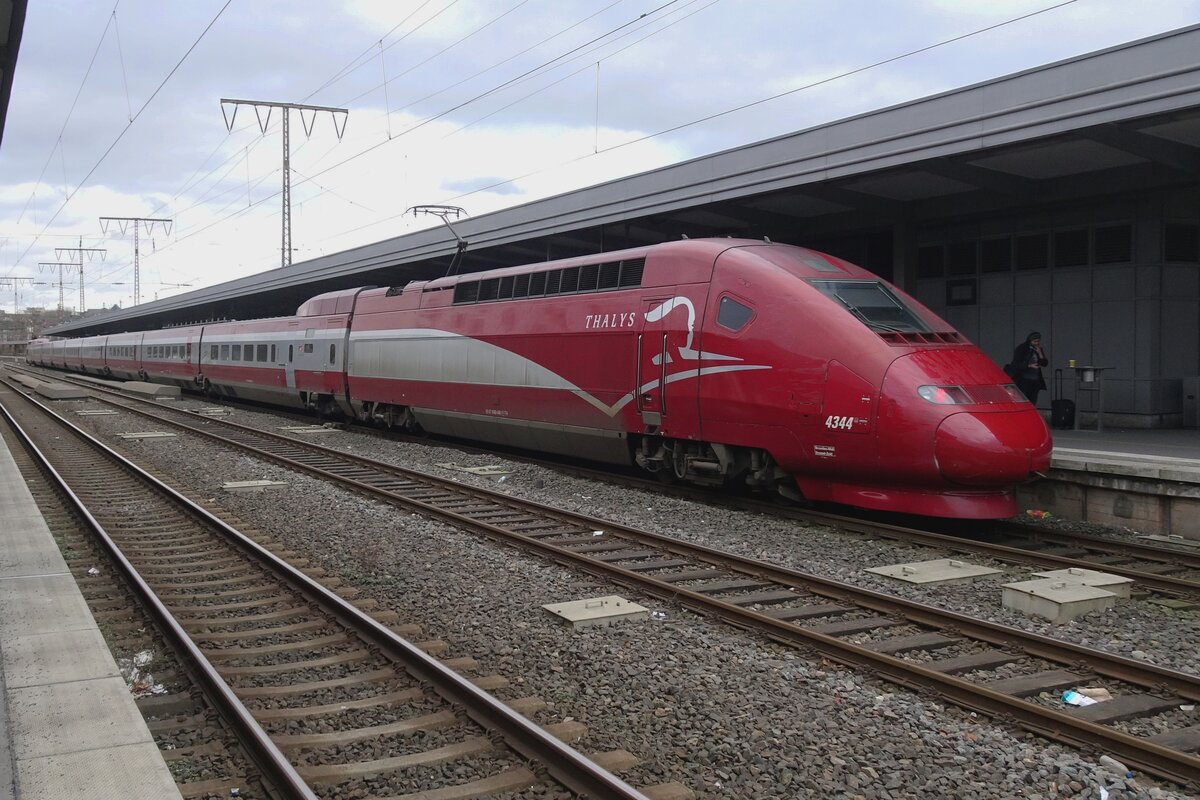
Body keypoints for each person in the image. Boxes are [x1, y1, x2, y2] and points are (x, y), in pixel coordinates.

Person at [1010, 331, 1048, 405]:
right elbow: (1016, 364)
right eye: (1034, 341)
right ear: (1030, 341)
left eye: (1038, 341)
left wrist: (1040, 353)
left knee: (1033, 400)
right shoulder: (1022, 348)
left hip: (1035, 379)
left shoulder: (1038, 349)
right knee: (1024, 400)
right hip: (1024, 380)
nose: (1036, 343)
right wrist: (1029, 366)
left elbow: (1045, 363)